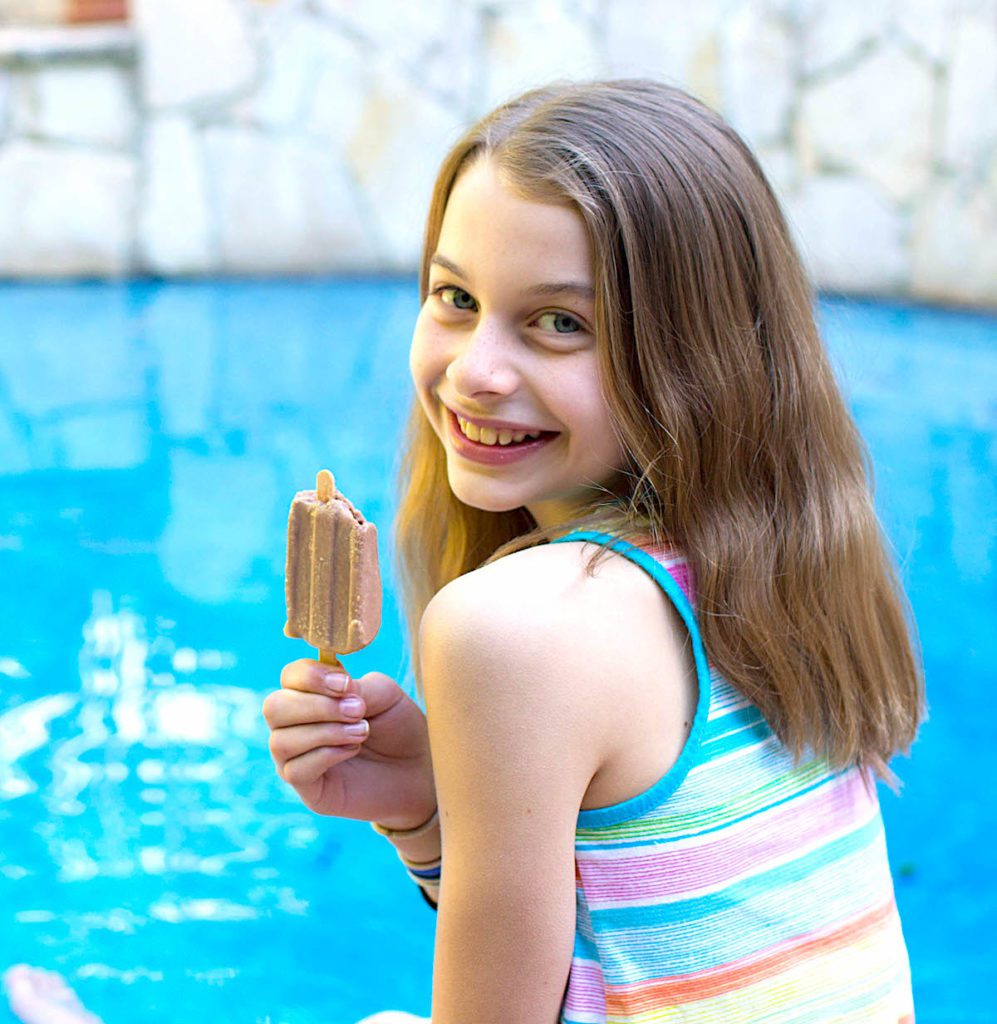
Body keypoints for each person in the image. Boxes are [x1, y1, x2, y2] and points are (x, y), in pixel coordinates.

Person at [5, 79, 923, 1024]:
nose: (473, 372)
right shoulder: (776, 568)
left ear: (696, 353)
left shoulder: (519, 629)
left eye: (560, 322)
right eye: (454, 296)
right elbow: (624, 947)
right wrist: (421, 811)